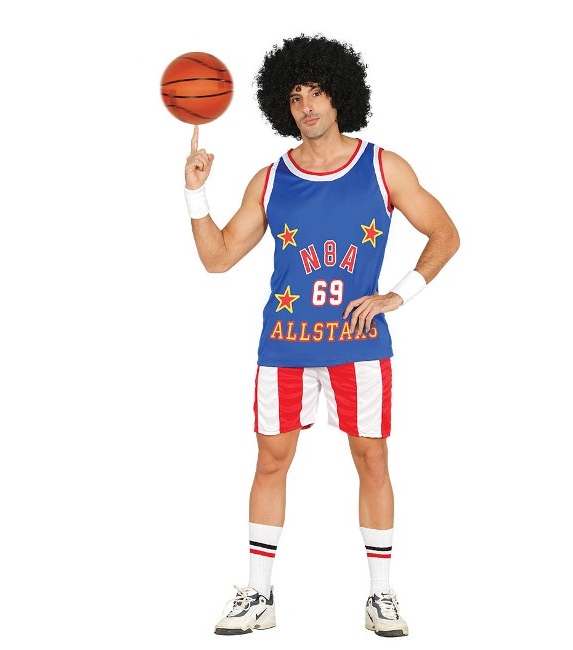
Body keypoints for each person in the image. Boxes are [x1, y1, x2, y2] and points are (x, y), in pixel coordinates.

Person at [182, 34, 460, 637]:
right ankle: (258, 596)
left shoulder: (384, 167)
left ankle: (381, 595)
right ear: (283, 107)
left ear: (340, 95)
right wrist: (195, 192)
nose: (306, 106)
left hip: (359, 349)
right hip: (283, 348)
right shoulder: (271, 179)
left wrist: (397, 296)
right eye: (295, 96)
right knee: (271, 462)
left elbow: (445, 233)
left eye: (316, 92)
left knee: (373, 459)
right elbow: (219, 258)